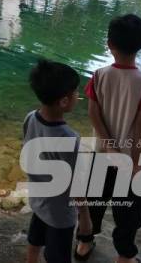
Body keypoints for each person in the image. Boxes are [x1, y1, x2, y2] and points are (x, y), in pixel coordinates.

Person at [79, 14, 141, 263]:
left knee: (93, 202)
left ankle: (84, 242)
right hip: (128, 161)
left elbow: (93, 114)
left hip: (100, 155)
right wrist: (136, 162)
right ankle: (124, 255)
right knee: (129, 212)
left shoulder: (99, 75)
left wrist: (109, 147)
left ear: (109, 44)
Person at [24, 59, 92, 263]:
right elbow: (75, 184)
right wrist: (85, 218)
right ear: (63, 101)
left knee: (35, 238)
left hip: (38, 199)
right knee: (58, 256)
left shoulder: (30, 118)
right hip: (60, 212)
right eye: (75, 93)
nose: (78, 97)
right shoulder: (69, 138)